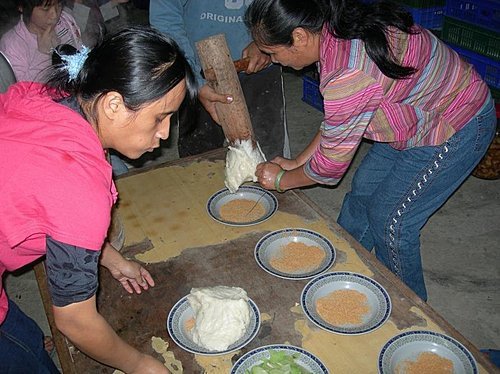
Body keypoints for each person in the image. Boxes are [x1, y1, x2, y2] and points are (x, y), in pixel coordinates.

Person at [246, 0, 496, 301]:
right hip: (412, 115)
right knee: (363, 191)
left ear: (299, 37)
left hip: (458, 122)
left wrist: (280, 181)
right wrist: (297, 161)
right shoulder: (334, 29)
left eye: (274, 53)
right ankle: (344, 274)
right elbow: (339, 122)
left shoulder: (347, 74)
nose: (275, 61)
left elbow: (328, 169)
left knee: (391, 220)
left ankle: (413, 312)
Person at [0, 26, 195, 373]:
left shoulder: (52, 99)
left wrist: (109, 257)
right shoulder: (78, 185)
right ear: (113, 105)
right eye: (159, 118)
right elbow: (75, 321)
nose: (165, 134)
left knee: (24, 336)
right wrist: (139, 365)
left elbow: (50, 207)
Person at [149, 0, 290, 160]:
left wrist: (267, 42)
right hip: (194, 66)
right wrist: (194, 79)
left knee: (267, 153)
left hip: (260, 62)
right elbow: (165, 18)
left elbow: (291, 9)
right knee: (199, 158)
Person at [0, 0, 83, 82]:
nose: (54, 15)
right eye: (46, 8)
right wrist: (44, 54)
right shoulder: (11, 45)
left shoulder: (66, 20)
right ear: (22, 7)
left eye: (59, 5)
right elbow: (19, 91)